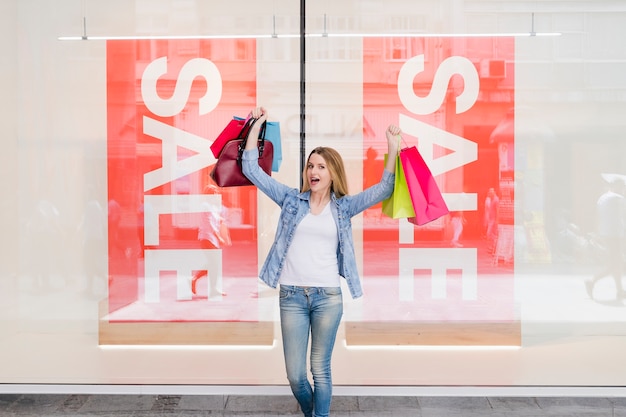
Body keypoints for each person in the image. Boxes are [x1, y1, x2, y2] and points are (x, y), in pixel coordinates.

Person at [241, 107, 400, 417]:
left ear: (332, 173)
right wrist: (256, 125)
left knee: (320, 370)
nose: (313, 171)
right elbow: (251, 170)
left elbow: (385, 188)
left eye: (321, 167)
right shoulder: (290, 199)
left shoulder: (344, 207)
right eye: (310, 166)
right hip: (292, 296)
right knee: (296, 375)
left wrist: (392, 148)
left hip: (327, 297)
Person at [585, 178, 625, 300]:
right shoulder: (619, 198)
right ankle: (592, 281)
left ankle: (620, 290)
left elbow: (597, 216)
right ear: (618, 186)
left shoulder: (602, 198)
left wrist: (597, 233)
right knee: (615, 264)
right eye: (623, 186)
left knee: (615, 262)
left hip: (605, 233)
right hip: (615, 234)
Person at [191, 184, 231, 296]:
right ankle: (200, 282)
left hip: (212, 239)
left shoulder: (212, 207)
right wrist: (219, 237)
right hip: (207, 238)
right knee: (214, 263)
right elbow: (209, 223)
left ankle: (196, 280)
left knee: (213, 264)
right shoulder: (205, 205)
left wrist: (222, 220)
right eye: (215, 194)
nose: (217, 196)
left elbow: (216, 219)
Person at [484, 187, 500, 252]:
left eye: (491, 192)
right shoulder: (491, 199)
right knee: (491, 234)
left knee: (489, 233)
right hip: (491, 219)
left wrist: (497, 220)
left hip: (494, 219)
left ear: (494, 192)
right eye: (489, 192)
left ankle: (495, 246)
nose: (489, 193)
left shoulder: (496, 200)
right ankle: (494, 247)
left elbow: (497, 210)